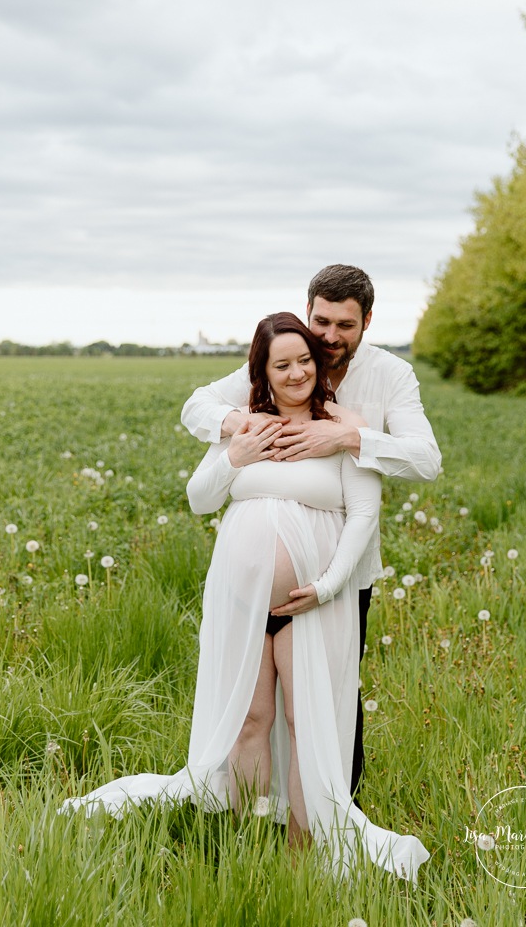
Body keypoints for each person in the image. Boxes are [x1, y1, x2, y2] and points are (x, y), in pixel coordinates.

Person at [61, 312, 430, 883]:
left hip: (313, 605)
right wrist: (237, 455)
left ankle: (302, 852)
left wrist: (327, 586)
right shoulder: (247, 429)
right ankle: (248, 838)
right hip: (240, 604)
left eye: (304, 360)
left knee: (305, 722)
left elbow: (364, 513)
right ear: (261, 371)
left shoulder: (339, 428)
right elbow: (199, 499)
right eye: (282, 364)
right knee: (251, 720)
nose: (297, 372)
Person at [181, 265, 441, 796]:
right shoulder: (287, 355)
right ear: (307, 313)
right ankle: (258, 819)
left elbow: (425, 460)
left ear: (367, 321)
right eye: (321, 320)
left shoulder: (390, 376)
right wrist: (241, 428)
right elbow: (198, 407)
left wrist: (348, 439)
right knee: (253, 710)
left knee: (331, 703)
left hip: (338, 577)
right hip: (246, 590)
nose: (328, 337)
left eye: (345, 324)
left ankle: (336, 813)